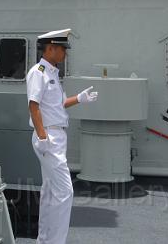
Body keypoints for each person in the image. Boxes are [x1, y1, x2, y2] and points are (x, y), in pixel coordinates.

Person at [27, 29, 98, 244]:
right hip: (48, 136)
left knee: (50, 192)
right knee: (65, 192)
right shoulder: (38, 72)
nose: (65, 54)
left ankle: (45, 240)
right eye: (62, 49)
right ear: (50, 48)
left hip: (56, 136)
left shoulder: (53, 73)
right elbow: (33, 106)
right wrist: (42, 138)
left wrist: (80, 98)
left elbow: (58, 105)